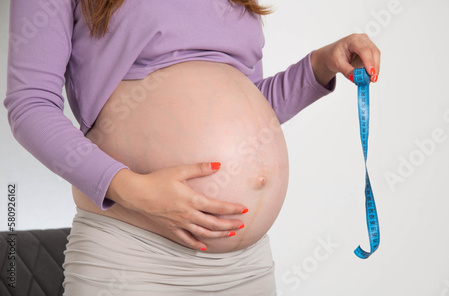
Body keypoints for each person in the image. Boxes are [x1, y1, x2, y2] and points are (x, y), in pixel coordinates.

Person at [4, 0, 380, 295]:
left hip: (247, 268)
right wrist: (130, 188)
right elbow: (30, 105)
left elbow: (245, 101)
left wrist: (319, 65)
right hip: (136, 258)